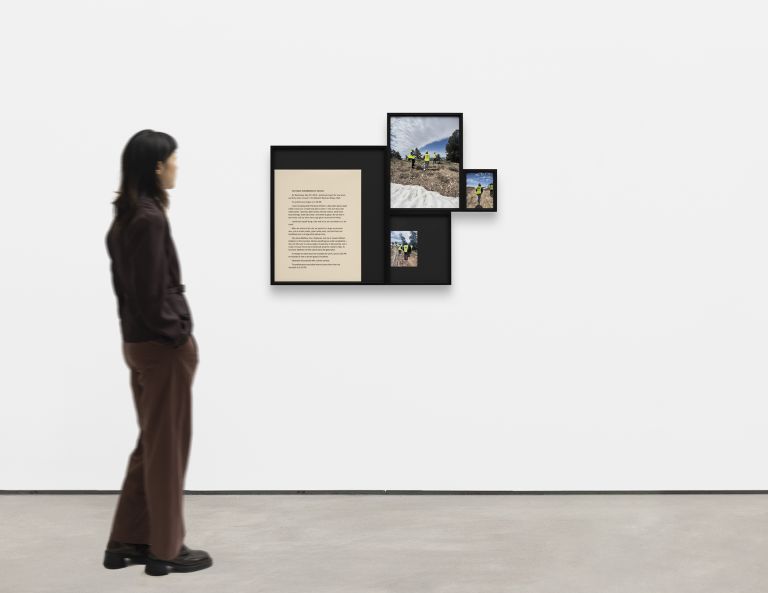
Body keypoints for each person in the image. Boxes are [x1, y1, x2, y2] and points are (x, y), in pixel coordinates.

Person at [103, 129, 213, 577]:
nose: (176, 167)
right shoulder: (149, 219)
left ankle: (126, 541)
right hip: (161, 348)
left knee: (151, 444)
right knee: (167, 450)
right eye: (173, 159)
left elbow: (129, 293)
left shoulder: (126, 217)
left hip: (137, 344)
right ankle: (165, 549)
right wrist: (178, 331)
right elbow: (151, 294)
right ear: (156, 166)